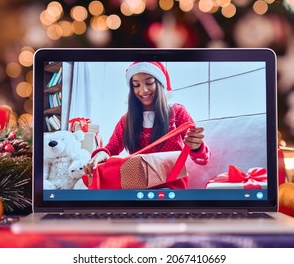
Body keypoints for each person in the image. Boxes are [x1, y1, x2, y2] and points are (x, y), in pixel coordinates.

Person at [84, 61, 211, 189]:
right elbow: (110, 150)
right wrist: (99, 155)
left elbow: (203, 159)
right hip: (137, 187)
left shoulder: (177, 113)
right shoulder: (127, 120)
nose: (143, 90)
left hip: (170, 187)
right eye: (136, 85)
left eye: (149, 83)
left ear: (160, 83)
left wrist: (196, 146)